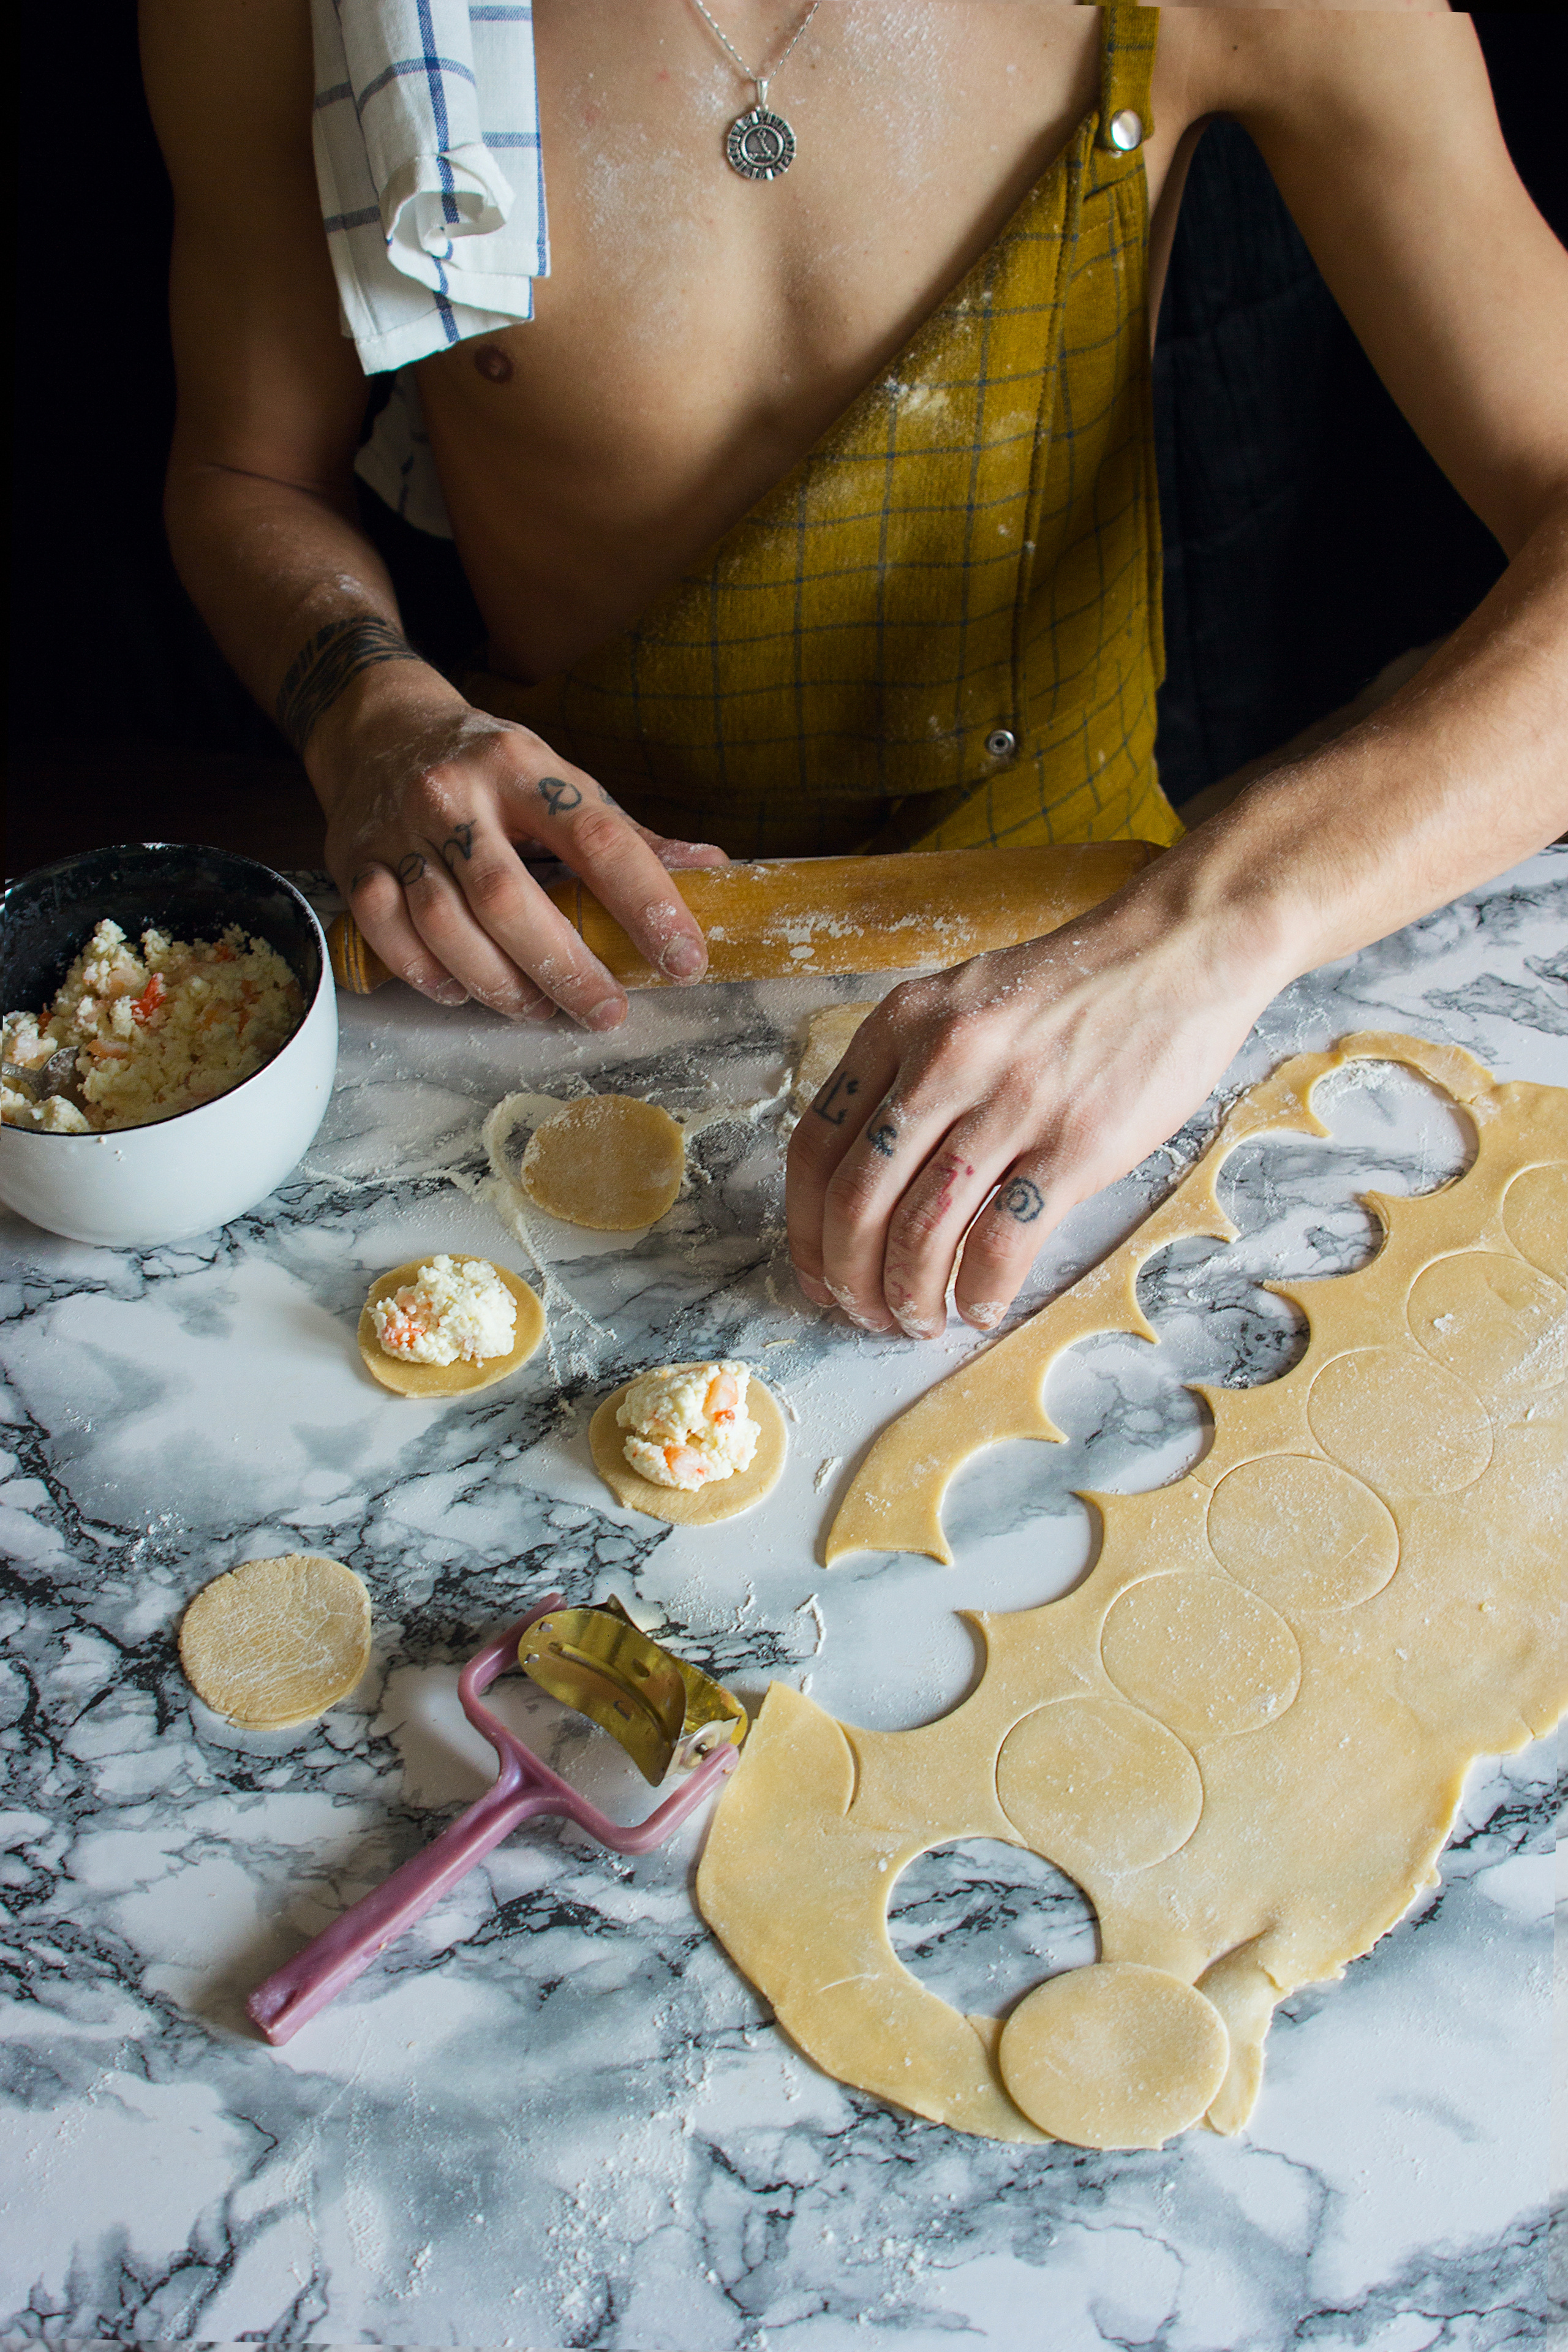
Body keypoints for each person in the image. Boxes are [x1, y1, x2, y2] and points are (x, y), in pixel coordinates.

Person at [143, 2, 1568, 1341]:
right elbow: (243, 467)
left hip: (1092, 972)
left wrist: (1198, 939)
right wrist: (369, 707)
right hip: (566, 993)